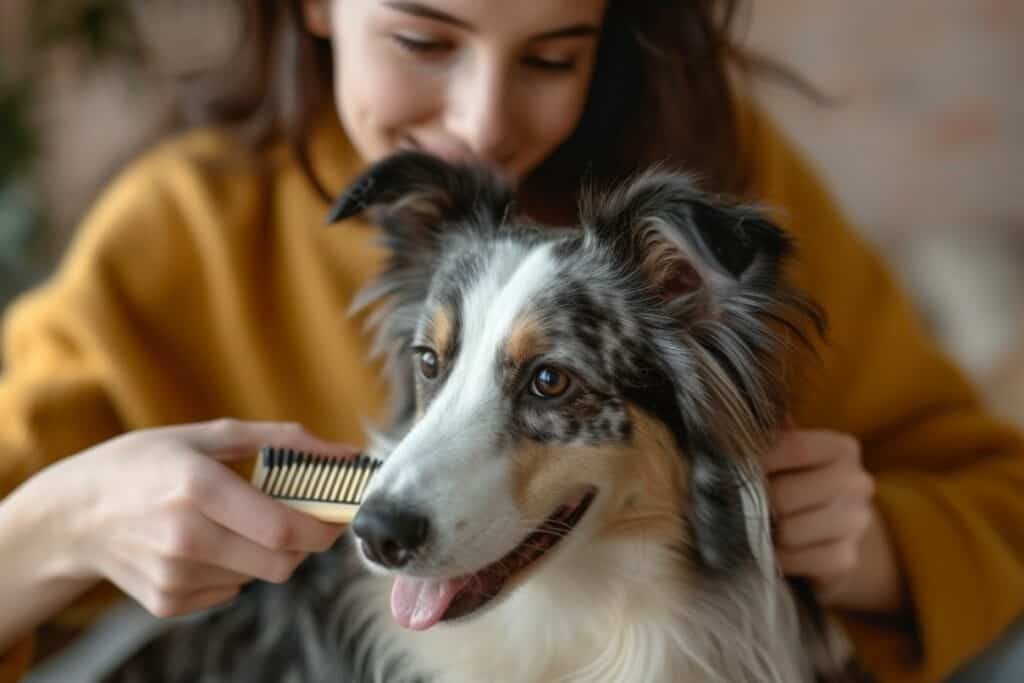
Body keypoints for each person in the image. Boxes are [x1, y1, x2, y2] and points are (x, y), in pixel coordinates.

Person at [1, 1, 1022, 681]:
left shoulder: (724, 184)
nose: (480, 122)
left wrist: (873, 544)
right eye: (423, 41)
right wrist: (63, 523)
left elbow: (994, 492)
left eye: (551, 55)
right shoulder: (173, 233)